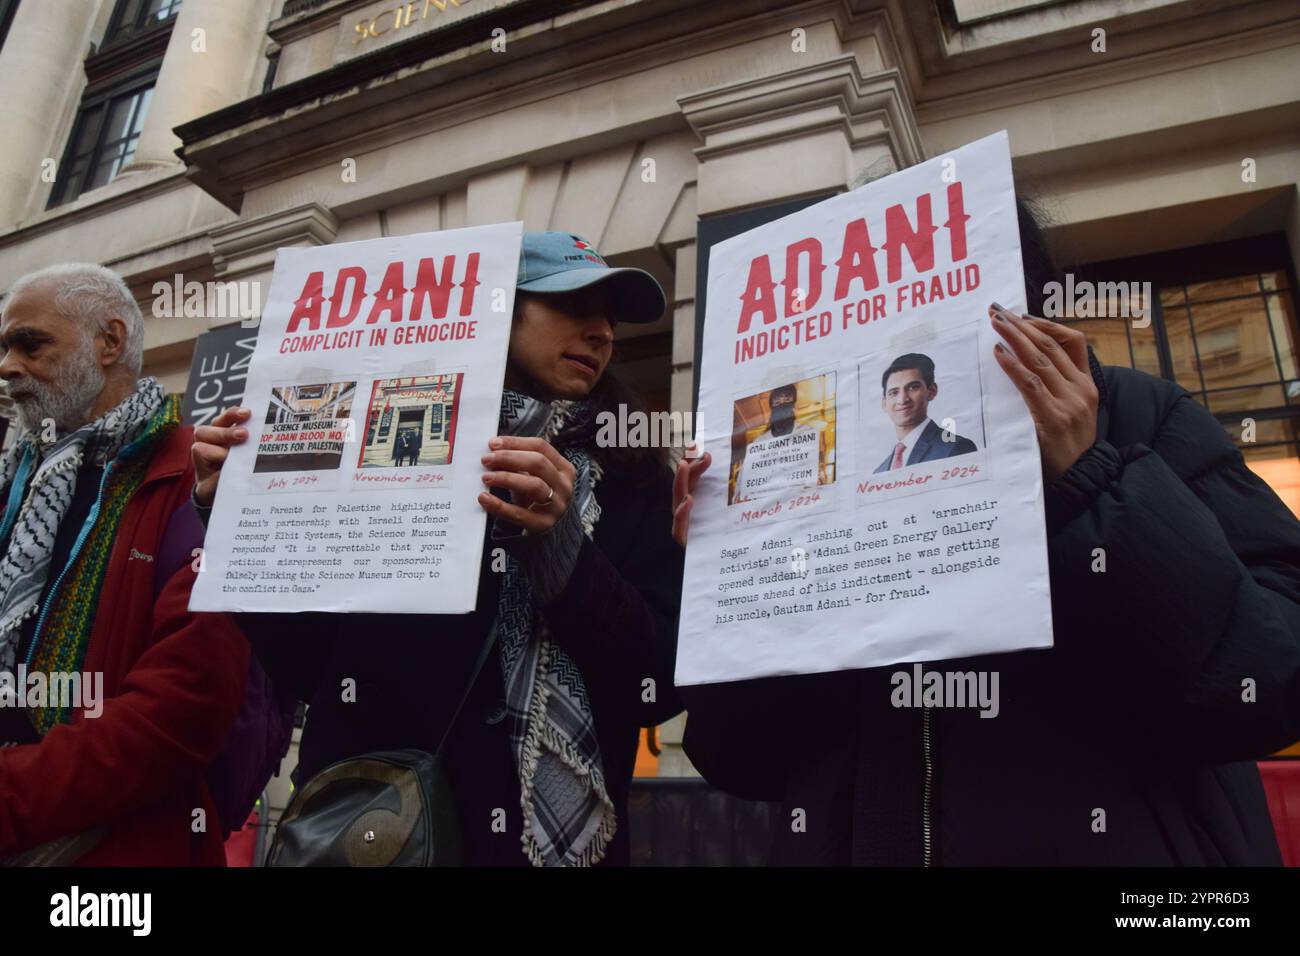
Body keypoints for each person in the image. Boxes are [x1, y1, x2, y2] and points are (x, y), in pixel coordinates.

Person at [673, 200, 1300, 865]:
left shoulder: (1137, 414)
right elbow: (737, 758)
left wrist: (1093, 482)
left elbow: (1272, 676)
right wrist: (729, 578)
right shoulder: (829, 464)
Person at [192, 231, 684, 866]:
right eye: (573, 304)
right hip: (381, 834)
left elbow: (658, 681)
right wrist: (234, 519)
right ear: (497, 308)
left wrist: (565, 556)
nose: (601, 333)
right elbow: (304, 662)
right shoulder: (384, 444)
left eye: (611, 319)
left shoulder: (636, 474)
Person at [0, 263, 249, 865]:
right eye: (6, 347)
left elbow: (182, 706)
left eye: (30, 343)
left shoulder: (203, 476)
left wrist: (13, 796)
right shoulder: (13, 483)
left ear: (109, 341)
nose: (8, 366)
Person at [873, 353, 977, 473]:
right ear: (884, 403)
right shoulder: (879, 472)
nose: (902, 400)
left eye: (912, 388)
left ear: (932, 391)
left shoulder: (956, 449)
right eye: (894, 392)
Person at [732, 384, 822, 504]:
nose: (782, 405)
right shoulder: (759, 443)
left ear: (794, 406)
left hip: (798, 502)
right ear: (771, 407)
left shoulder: (807, 433)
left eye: (787, 401)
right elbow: (742, 483)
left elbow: (814, 472)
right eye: (777, 402)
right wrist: (739, 498)